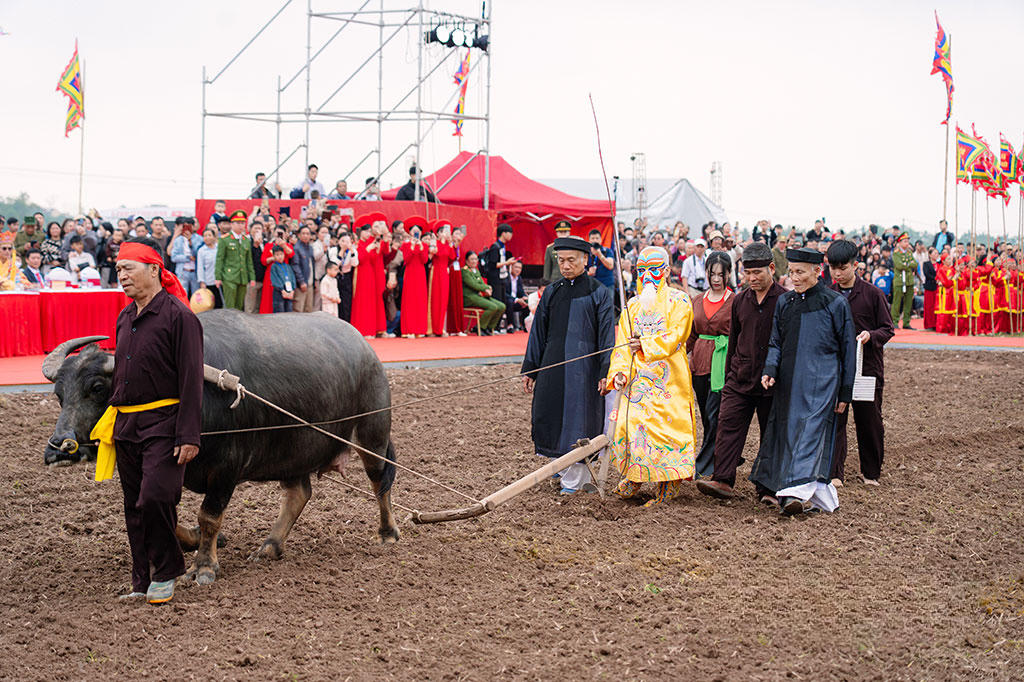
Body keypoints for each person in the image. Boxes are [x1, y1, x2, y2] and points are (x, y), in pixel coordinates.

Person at [94, 237, 202, 605]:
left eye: (128, 268)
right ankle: (141, 579)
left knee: (156, 497)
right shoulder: (125, 317)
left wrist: (189, 433)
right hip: (126, 425)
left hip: (164, 423)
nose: (120, 275)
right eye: (118, 269)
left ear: (154, 269)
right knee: (133, 505)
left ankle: (169, 568)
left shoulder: (180, 317)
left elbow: (191, 379)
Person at [750, 247, 856, 516]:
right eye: (791, 272)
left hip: (823, 385)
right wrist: (770, 369)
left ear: (817, 272)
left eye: (799, 272)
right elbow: (776, 341)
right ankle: (809, 493)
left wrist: (845, 392)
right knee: (787, 434)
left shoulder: (835, 304)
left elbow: (848, 351)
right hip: (788, 382)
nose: (793, 277)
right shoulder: (785, 303)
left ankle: (793, 493)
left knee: (809, 435)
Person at [605, 246, 698, 507]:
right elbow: (622, 342)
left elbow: (677, 334)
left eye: (654, 269)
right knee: (631, 425)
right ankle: (634, 477)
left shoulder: (679, 301)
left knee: (667, 428)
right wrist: (620, 373)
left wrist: (646, 345)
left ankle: (669, 483)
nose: (647, 276)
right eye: (642, 270)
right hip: (638, 380)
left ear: (667, 271)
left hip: (669, 378)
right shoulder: (632, 306)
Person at [522, 237, 614, 494]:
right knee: (550, 416)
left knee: (579, 422)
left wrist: (605, 371)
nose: (565, 266)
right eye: (561, 260)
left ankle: (575, 481)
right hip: (552, 366)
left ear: (585, 260)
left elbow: (607, 336)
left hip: (584, 371)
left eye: (571, 260)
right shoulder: (551, 291)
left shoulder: (599, 292)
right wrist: (531, 369)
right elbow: (538, 333)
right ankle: (560, 469)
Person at [696, 242, 785, 501]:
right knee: (727, 424)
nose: (752, 278)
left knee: (771, 433)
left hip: (772, 381)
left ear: (771, 268)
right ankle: (723, 479)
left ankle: (768, 489)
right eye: (747, 273)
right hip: (740, 376)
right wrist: (730, 374)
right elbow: (734, 340)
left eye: (757, 273)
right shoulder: (740, 301)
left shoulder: (783, 300)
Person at [826, 240, 894, 487]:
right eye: (833, 268)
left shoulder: (872, 294)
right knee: (835, 420)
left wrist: (870, 336)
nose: (837, 273)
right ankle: (834, 473)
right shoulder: (828, 294)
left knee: (869, 421)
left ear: (856, 265)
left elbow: (888, 329)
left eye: (842, 267)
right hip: (836, 370)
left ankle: (871, 473)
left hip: (867, 369)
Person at [686, 251, 733, 479]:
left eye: (720, 274)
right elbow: (691, 334)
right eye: (712, 274)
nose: (716, 279)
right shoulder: (697, 301)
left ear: (729, 274)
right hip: (699, 363)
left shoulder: (735, 301)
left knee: (716, 414)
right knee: (705, 414)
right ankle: (718, 454)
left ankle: (703, 464)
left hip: (721, 364)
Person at [350, 212, 391, 337]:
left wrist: (378, 247)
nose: (368, 234)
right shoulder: (358, 244)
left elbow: (376, 257)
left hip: (370, 274)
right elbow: (359, 259)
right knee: (362, 301)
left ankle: (372, 329)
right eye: (366, 231)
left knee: (370, 302)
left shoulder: (370, 242)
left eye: (369, 231)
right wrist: (369, 248)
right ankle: (363, 329)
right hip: (362, 274)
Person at [214, 210, 256, 311]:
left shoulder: (246, 240)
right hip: (229, 277)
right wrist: (218, 277)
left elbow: (248, 261)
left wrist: (252, 277)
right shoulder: (225, 240)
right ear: (232, 224)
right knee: (230, 307)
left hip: (243, 277)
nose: (241, 226)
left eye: (243, 223)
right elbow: (220, 259)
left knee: (240, 306)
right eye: (238, 223)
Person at [481, 224, 518, 331]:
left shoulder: (502, 246)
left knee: (503, 302)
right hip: (495, 279)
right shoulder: (495, 246)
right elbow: (493, 264)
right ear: (503, 233)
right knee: (497, 302)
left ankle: (496, 326)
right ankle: (493, 327)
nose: (511, 235)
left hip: (502, 278)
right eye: (510, 233)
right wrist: (507, 262)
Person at [399, 216, 430, 337]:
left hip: (420, 274)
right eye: (414, 231)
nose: (416, 233)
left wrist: (421, 247)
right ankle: (408, 329)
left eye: (418, 231)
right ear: (410, 232)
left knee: (420, 300)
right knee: (410, 300)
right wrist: (412, 247)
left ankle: (419, 329)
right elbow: (406, 259)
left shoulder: (424, 246)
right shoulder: (406, 244)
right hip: (410, 273)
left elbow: (425, 260)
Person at [462, 251, 506, 335]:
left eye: (475, 259)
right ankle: (480, 327)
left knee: (501, 306)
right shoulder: (465, 271)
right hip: (469, 297)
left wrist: (487, 288)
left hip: (478, 296)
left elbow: (481, 283)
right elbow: (473, 285)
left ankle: (489, 327)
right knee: (492, 307)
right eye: (472, 259)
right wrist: (487, 288)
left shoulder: (476, 271)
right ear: (467, 261)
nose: (474, 261)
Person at [427, 219, 456, 336]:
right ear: (438, 233)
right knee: (435, 299)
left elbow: (452, 256)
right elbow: (438, 253)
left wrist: (450, 244)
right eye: (445, 231)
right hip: (436, 271)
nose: (448, 233)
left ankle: (440, 327)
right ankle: (432, 328)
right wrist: (442, 241)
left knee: (443, 299)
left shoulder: (448, 245)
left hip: (444, 272)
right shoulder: (435, 243)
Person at [170, 221, 202, 297]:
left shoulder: (199, 239)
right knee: (182, 295)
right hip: (183, 272)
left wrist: (190, 242)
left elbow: (199, 254)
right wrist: (187, 258)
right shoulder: (178, 240)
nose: (187, 230)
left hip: (195, 272)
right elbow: (173, 257)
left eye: (189, 227)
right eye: (185, 227)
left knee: (196, 296)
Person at [890, 232, 916, 329]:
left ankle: (906, 322)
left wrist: (907, 264)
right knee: (897, 302)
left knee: (908, 302)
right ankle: (894, 321)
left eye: (908, 241)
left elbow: (915, 264)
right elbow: (899, 265)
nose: (907, 243)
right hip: (899, 280)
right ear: (899, 242)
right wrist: (909, 264)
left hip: (909, 280)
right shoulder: (896, 253)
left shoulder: (909, 252)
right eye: (905, 241)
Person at [446, 226, 467, 335]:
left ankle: (459, 327)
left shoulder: (460, 246)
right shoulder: (450, 245)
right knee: (451, 299)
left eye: (460, 234)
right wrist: (455, 245)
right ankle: (451, 328)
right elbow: (451, 257)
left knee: (458, 299)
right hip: (450, 272)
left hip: (458, 273)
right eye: (456, 233)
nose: (458, 236)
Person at [289, 225, 315, 313]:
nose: (306, 236)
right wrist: (301, 281)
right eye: (303, 233)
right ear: (299, 235)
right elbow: (295, 266)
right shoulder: (297, 248)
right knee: (298, 310)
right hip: (301, 284)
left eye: (308, 234)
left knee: (309, 310)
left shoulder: (310, 248)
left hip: (310, 283)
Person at [195, 227, 222, 309]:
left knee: (221, 303)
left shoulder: (219, 248)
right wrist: (202, 281)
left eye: (209, 235)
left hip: (221, 280)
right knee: (211, 304)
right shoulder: (202, 251)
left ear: (214, 237)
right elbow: (200, 267)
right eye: (205, 236)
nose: (207, 237)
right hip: (209, 281)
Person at [505, 261, 529, 331]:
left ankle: (525, 325)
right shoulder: (506, 277)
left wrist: (524, 296)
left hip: (516, 301)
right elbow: (504, 293)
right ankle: (510, 325)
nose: (518, 270)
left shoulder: (519, 278)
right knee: (510, 302)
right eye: (516, 267)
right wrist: (516, 299)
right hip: (507, 301)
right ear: (511, 267)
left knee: (527, 302)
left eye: (520, 268)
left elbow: (521, 291)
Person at [922, 247, 939, 331]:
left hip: (938, 287)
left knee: (936, 306)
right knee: (929, 306)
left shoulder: (939, 264)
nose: (936, 255)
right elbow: (927, 274)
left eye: (937, 253)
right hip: (929, 287)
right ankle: (929, 324)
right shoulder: (926, 264)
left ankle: (936, 323)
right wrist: (936, 278)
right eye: (934, 253)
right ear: (930, 254)